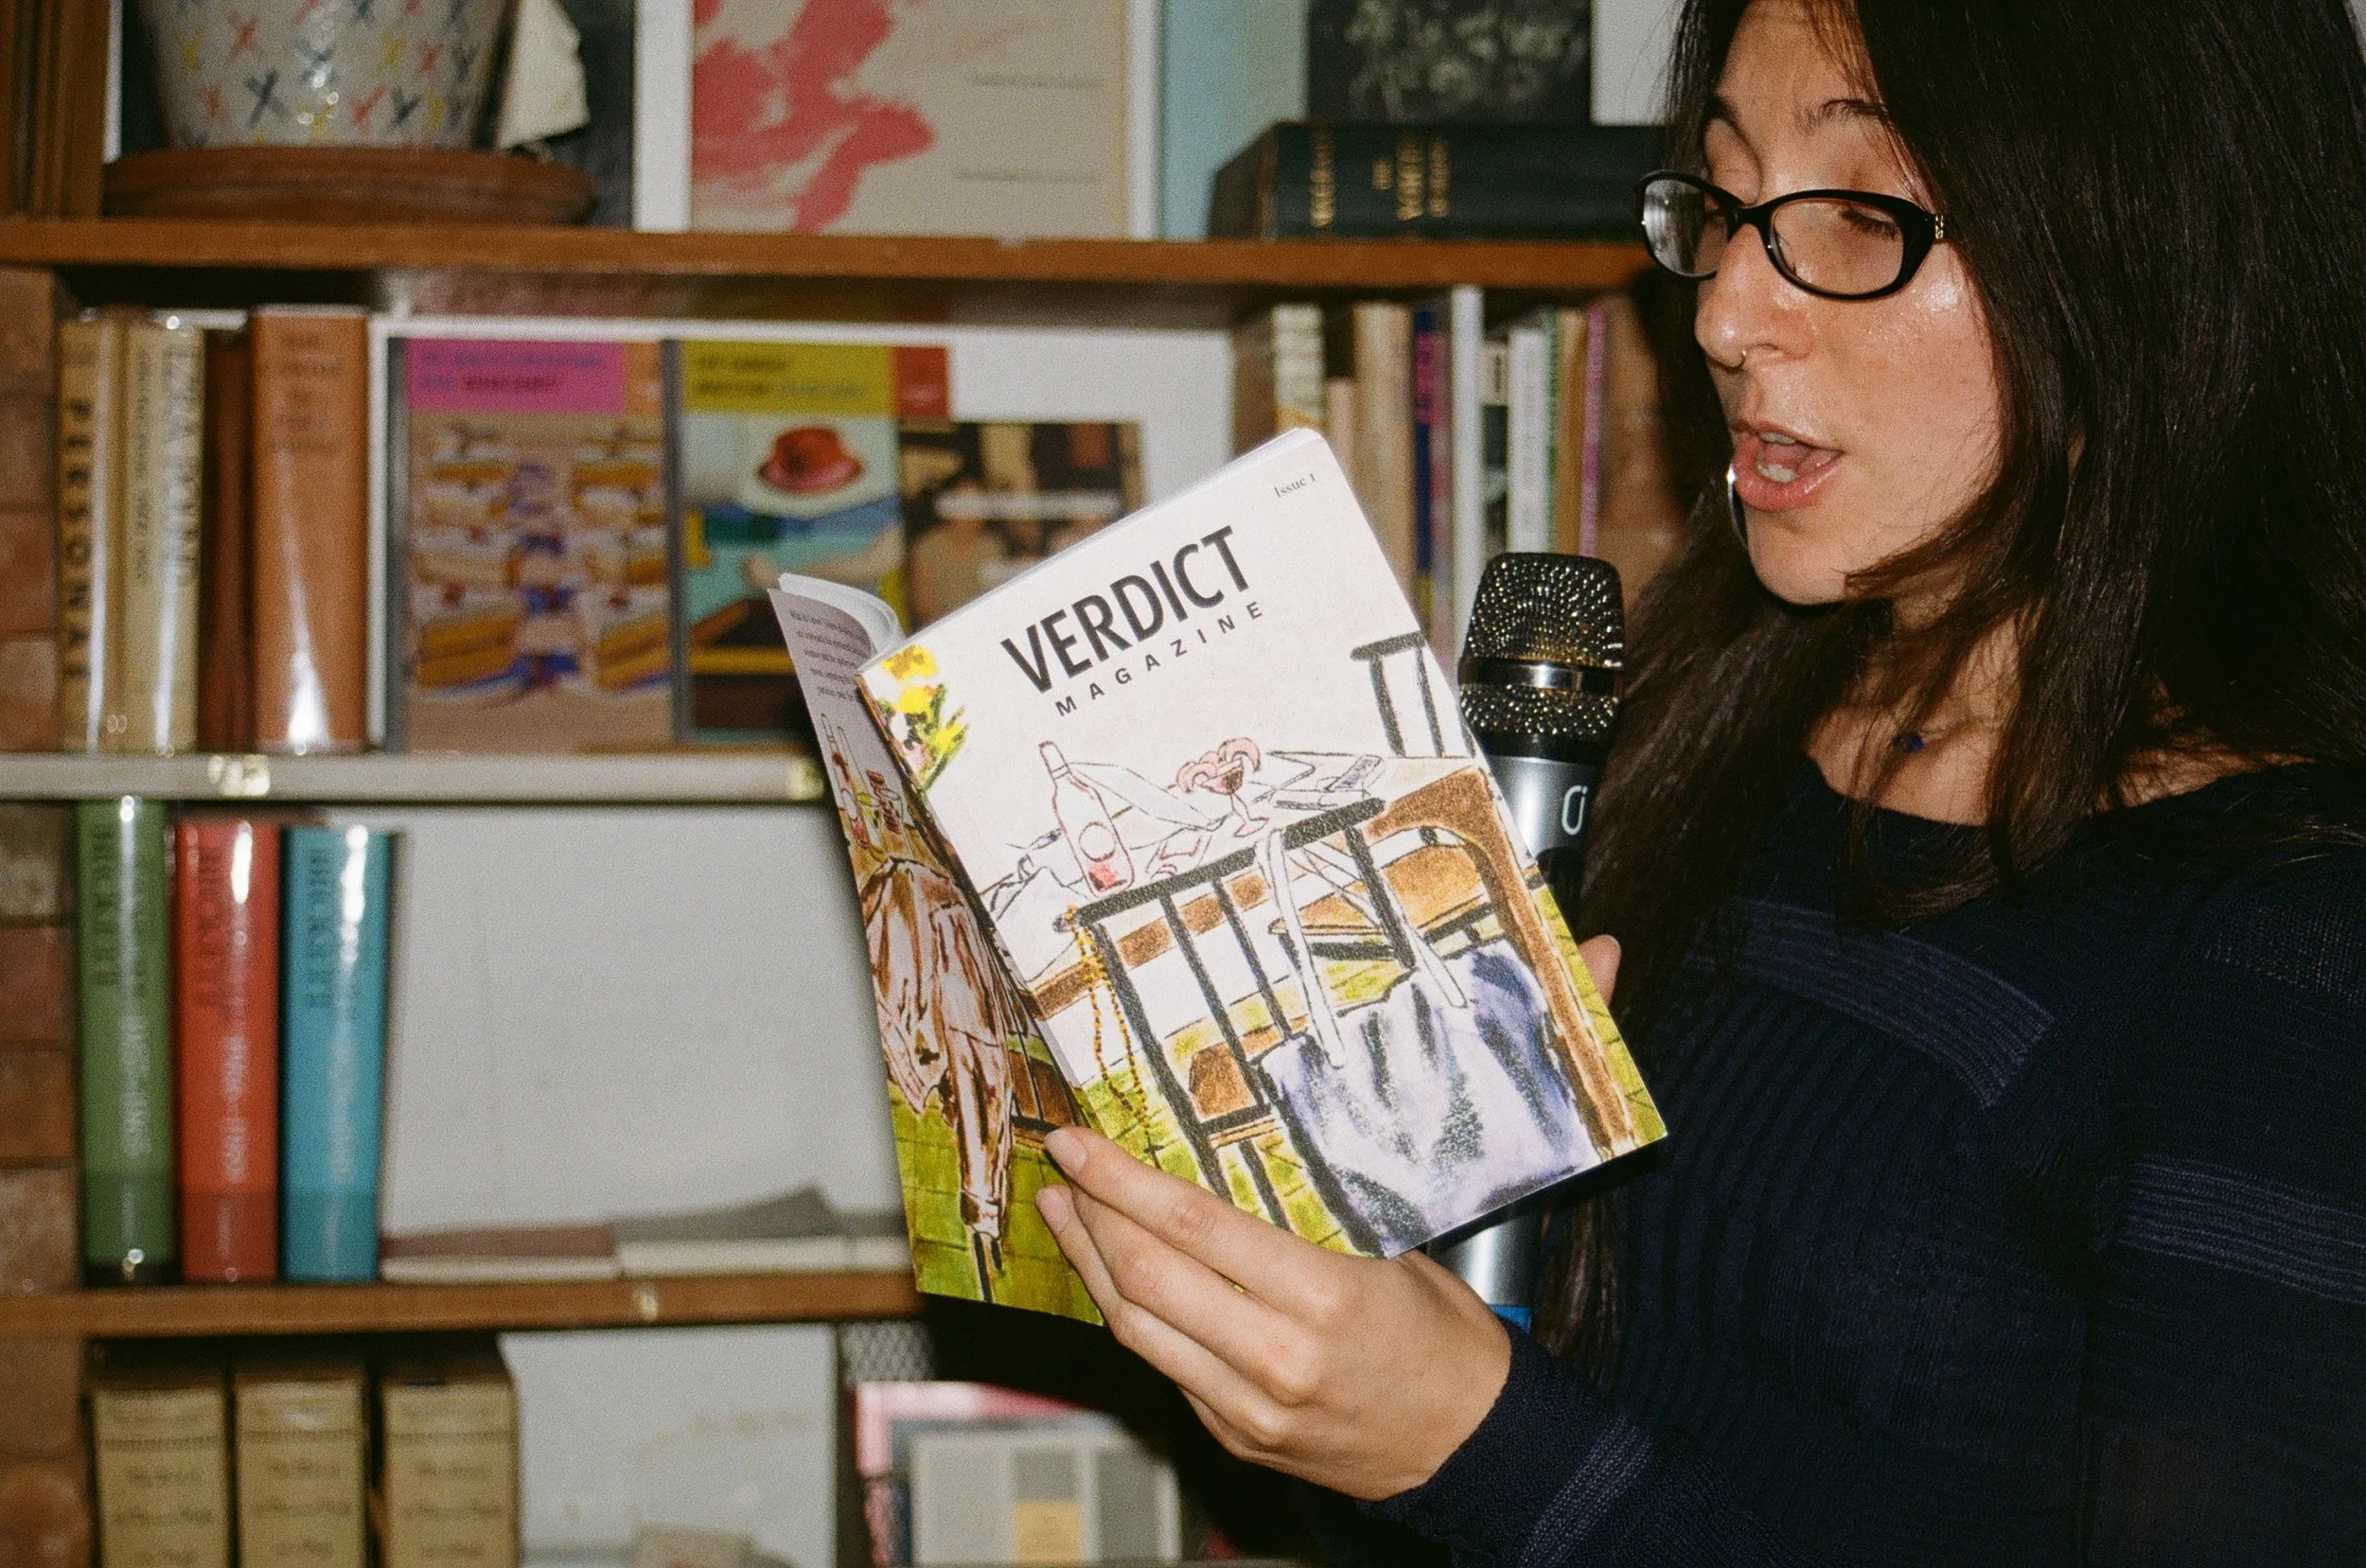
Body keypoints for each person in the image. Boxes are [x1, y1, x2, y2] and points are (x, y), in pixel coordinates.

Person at [1029, 0, 2366, 1561]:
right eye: (1724, 206)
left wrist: (1477, 1446)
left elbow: (1526, 1454)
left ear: (2159, 261)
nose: (1729, 310)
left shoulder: (2291, 942)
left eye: (1863, 214)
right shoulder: (1681, 733)